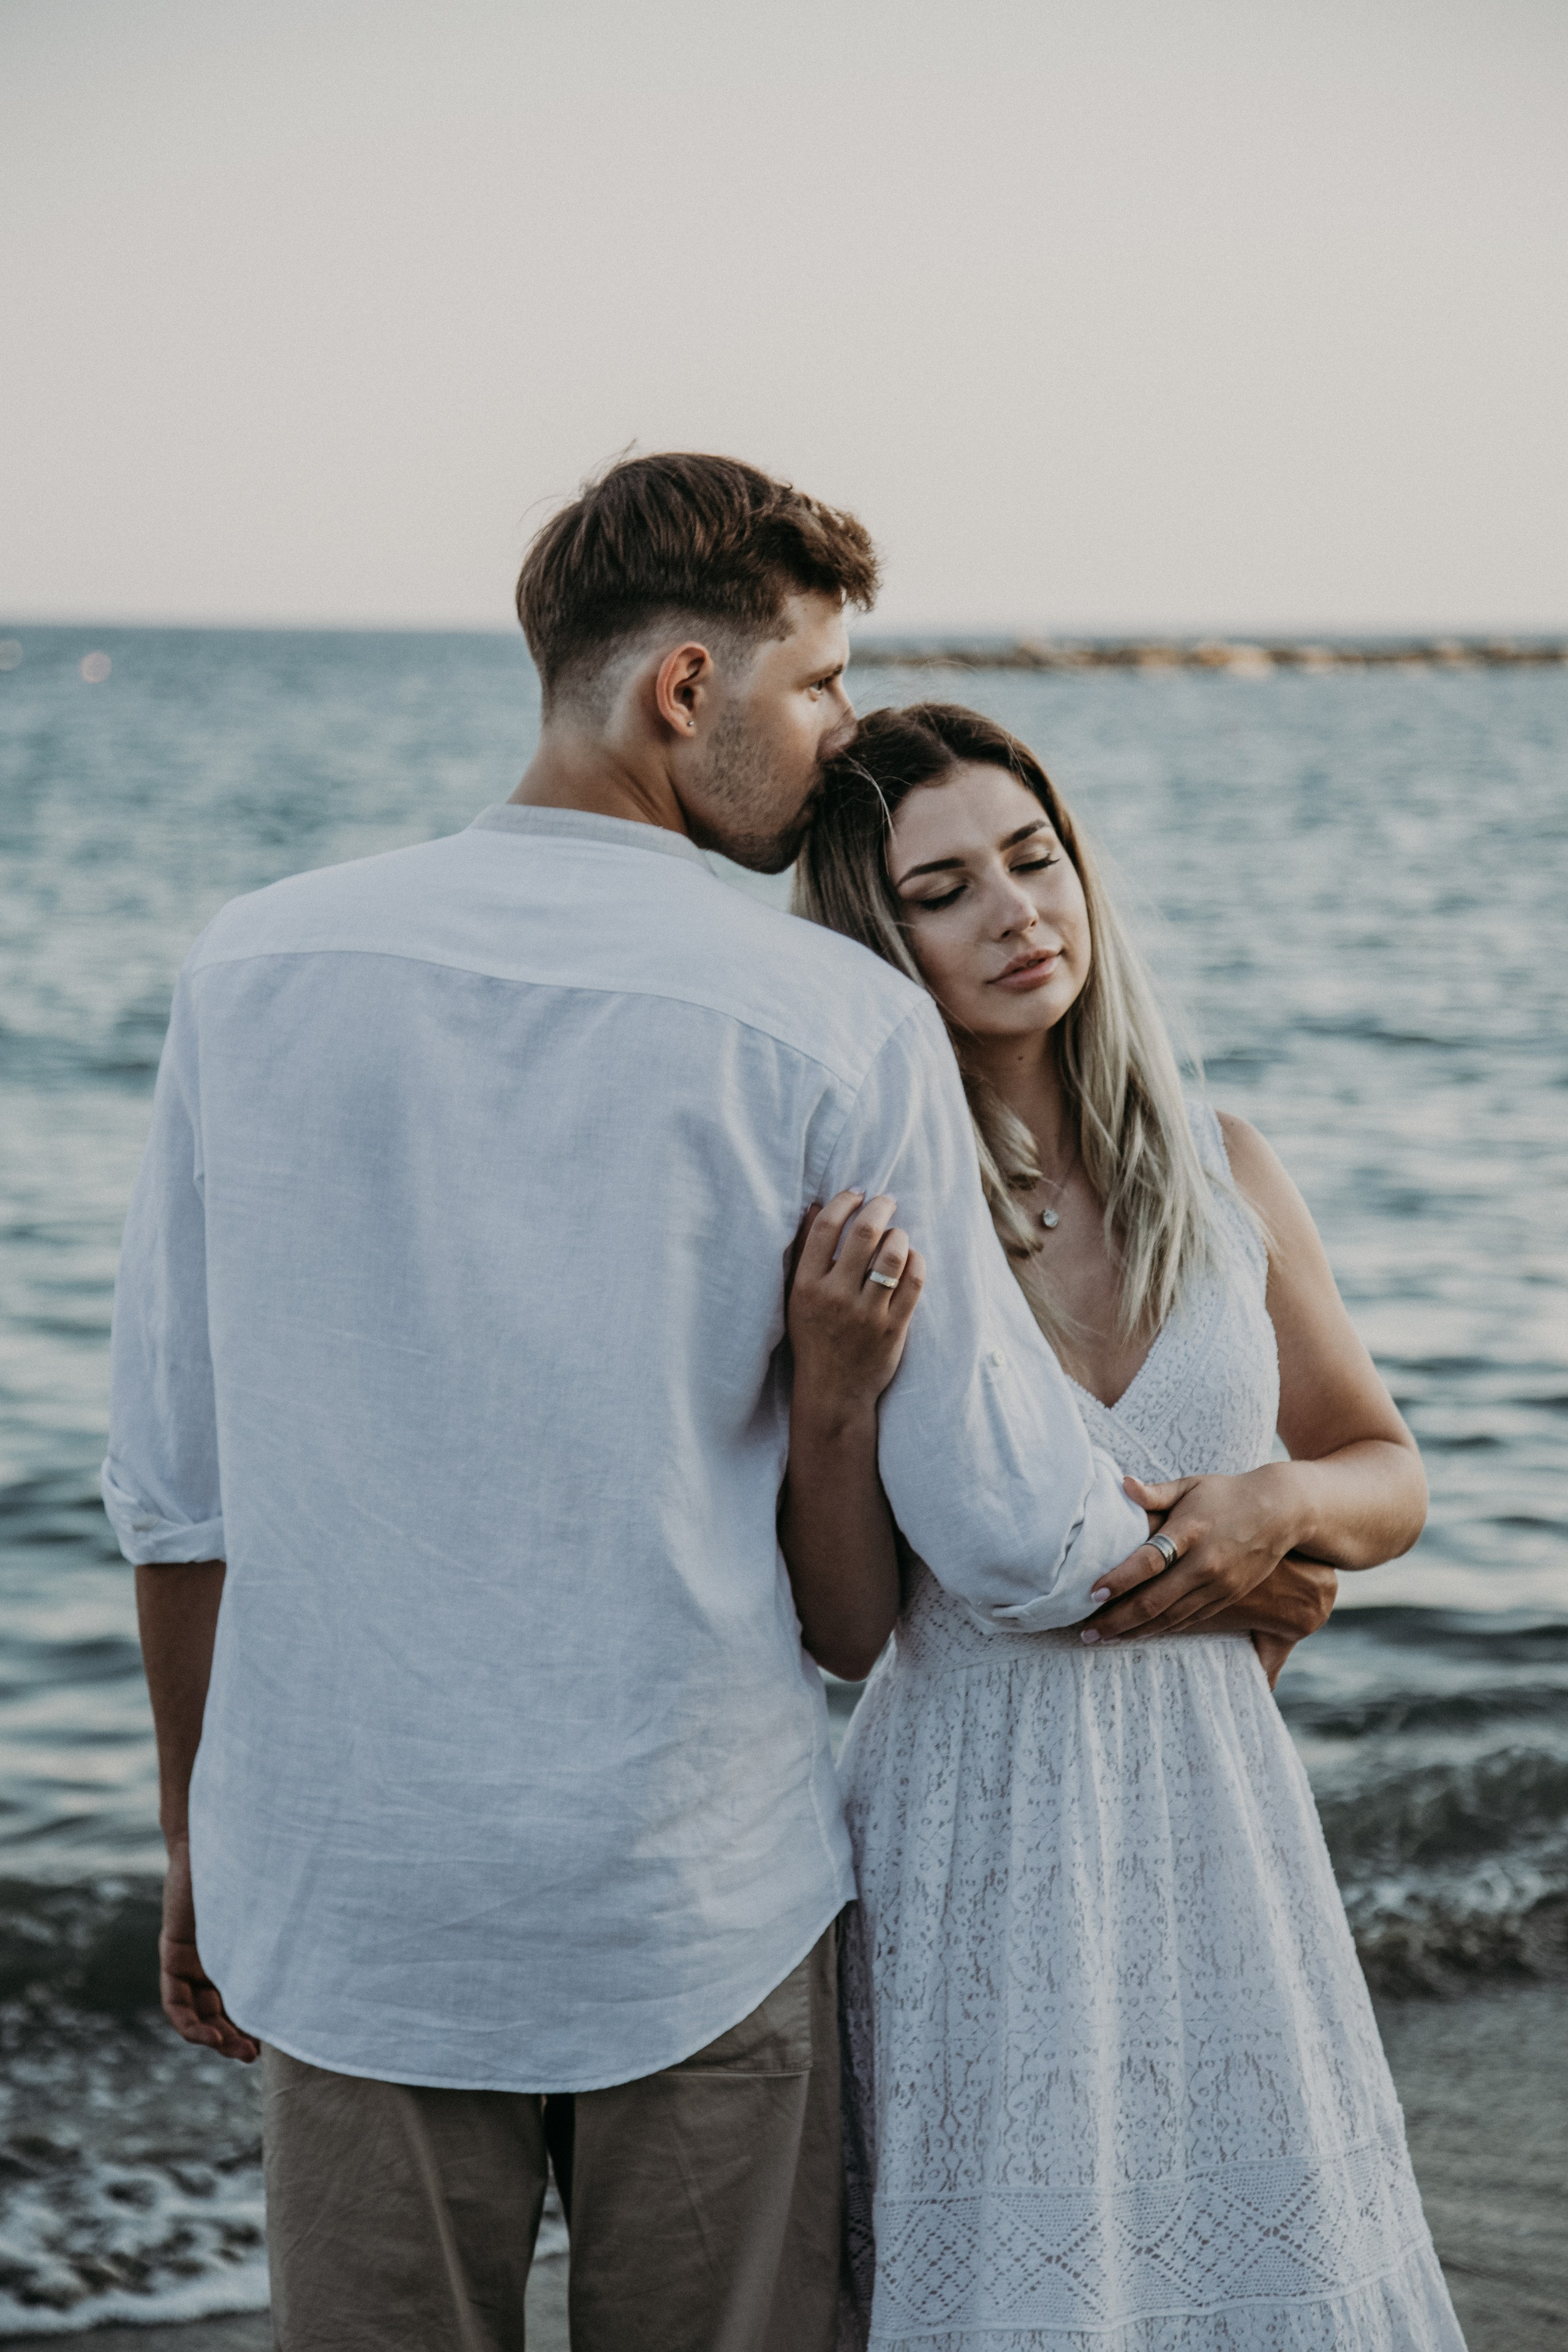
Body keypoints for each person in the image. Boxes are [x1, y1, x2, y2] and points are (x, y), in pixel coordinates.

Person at [103, 457, 1326, 2352]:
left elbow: (179, 1491)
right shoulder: (832, 1021)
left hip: (353, 1897)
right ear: (686, 689)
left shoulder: (253, 966)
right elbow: (1004, 1515)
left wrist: (202, 1849)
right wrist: (1224, 1545)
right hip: (695, 1905)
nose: (838, 733)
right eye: (821, 681)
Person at [785, 703, 1465, 2351]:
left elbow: (1389, 1471)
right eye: (946, 890)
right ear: (880, 941)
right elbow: (849, 1633)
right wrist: (833, 1393)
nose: (1020, 913)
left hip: (1218, 1817)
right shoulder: (870, 1208)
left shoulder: (1219, 1168)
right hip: (970, 1831)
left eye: (1035, 859)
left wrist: (1279, 1508)